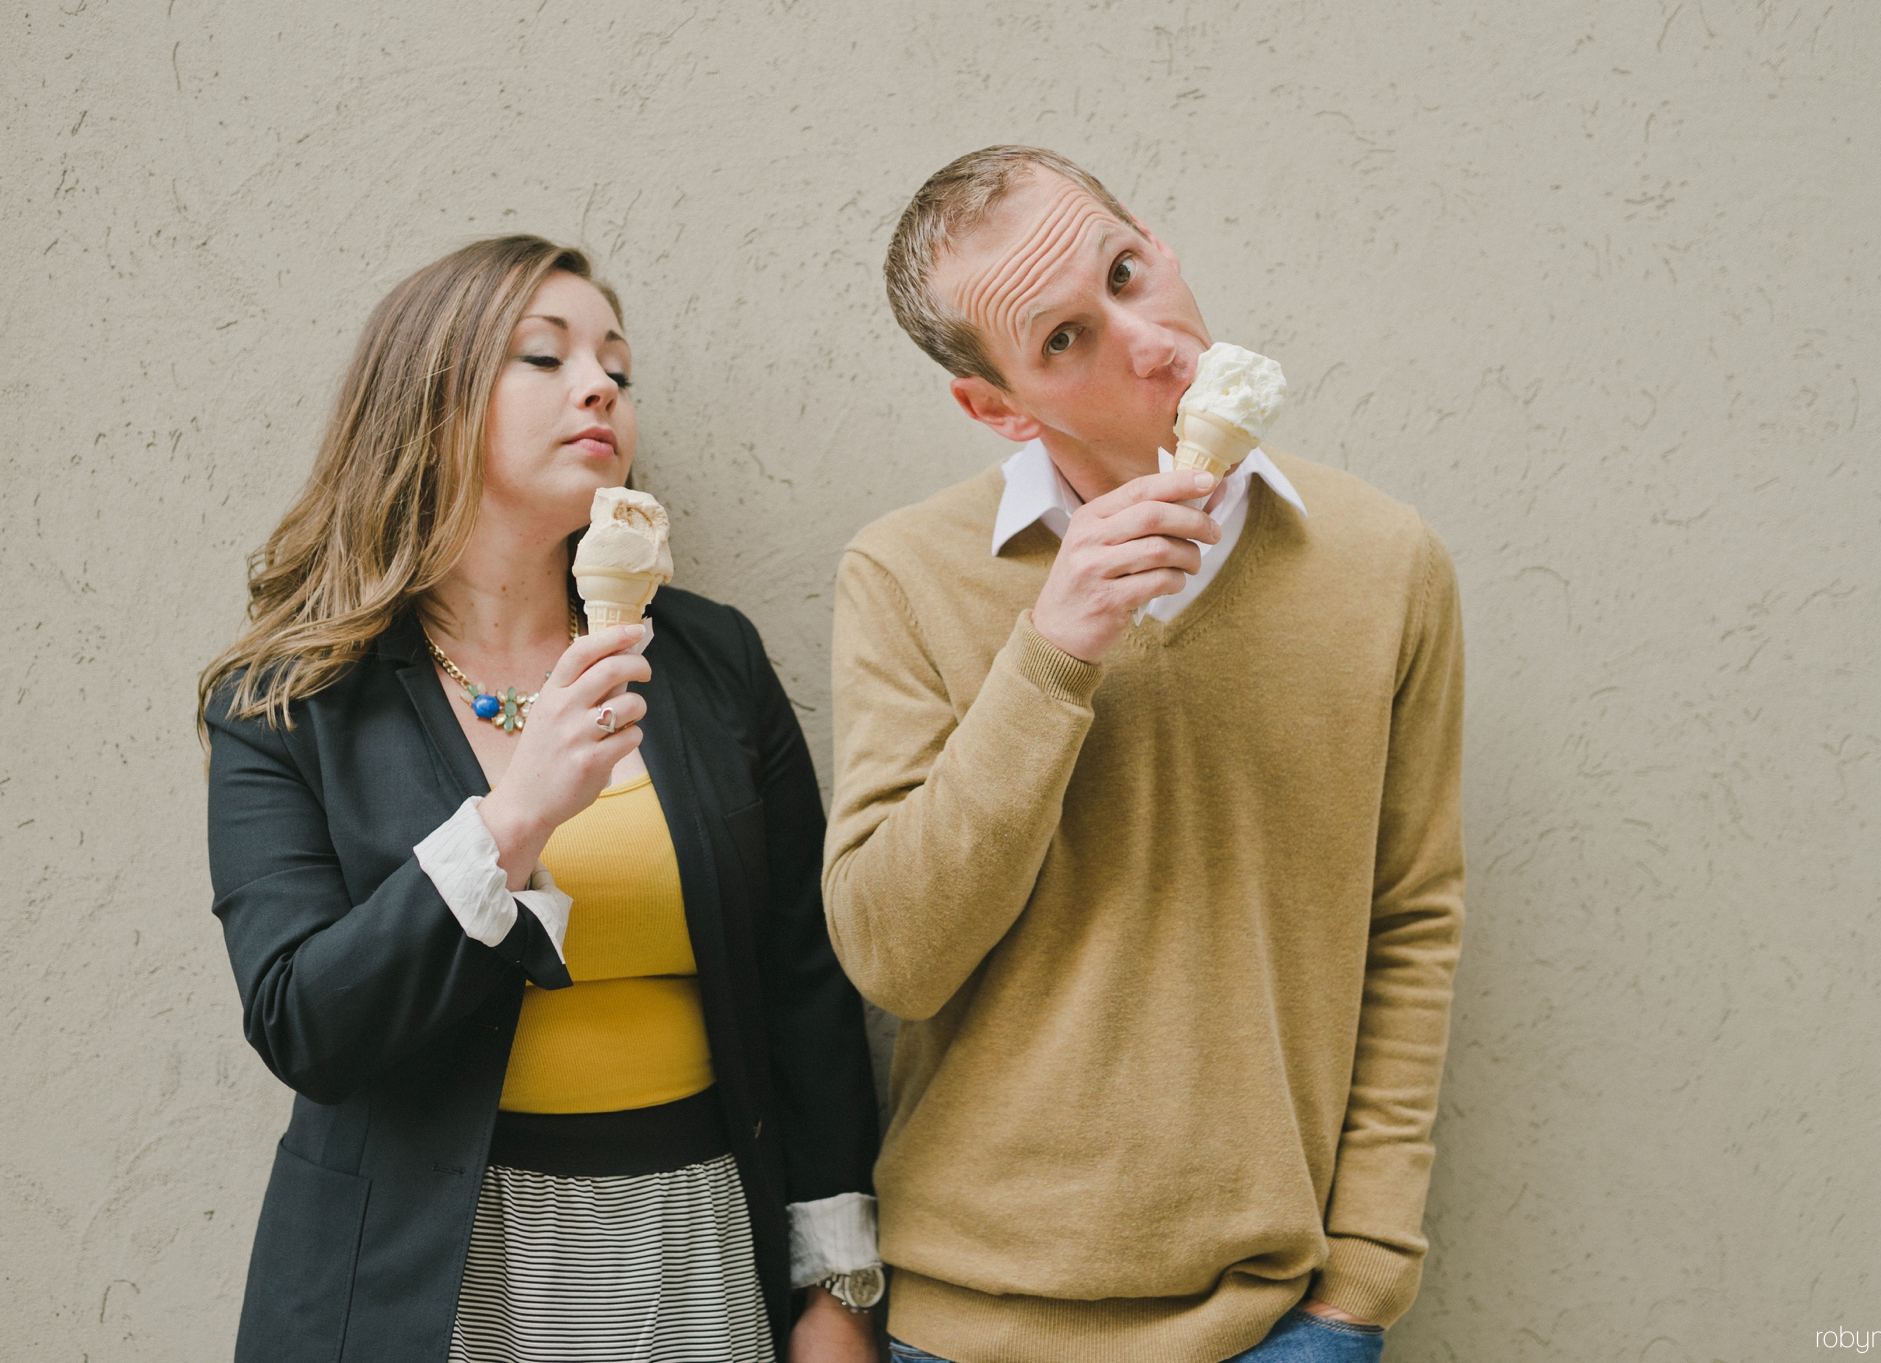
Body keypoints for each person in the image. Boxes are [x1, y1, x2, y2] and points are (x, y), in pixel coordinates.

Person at [823, 147, 1466, 1363]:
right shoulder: (904, 574)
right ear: (997, 406)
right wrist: (1053, 647)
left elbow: (1410, 918)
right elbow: (889, 955)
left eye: (1127, 273)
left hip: (1275, 1322)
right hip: (972, 1320)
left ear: (1156, 243)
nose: (1150, 339)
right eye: (1064, 339)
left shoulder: (1384, 563)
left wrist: (1363, 1279)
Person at [200, 235, 884, 1363]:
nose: (601, 384)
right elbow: (302, 1021)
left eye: (617, 363)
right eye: (543, 355)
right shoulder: (290, 697)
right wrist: (514, 815)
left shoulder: (707, 658)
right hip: (432, 1271)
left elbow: (801, 985)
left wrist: (838, 1287)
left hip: (693, 1233)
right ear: (428, 398)